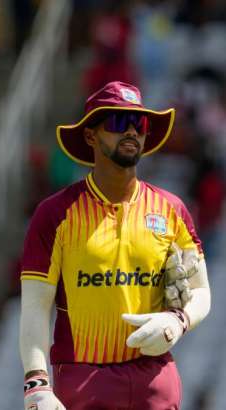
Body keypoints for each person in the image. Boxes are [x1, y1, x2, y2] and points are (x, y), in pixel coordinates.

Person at [19, 81, 211, 410]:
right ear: (91, 135)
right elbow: (36, 307)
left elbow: (202, 291)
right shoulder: (55, 214)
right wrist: (37, 384)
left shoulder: (171, 209)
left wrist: (177, 321)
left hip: (156, 378)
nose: (132, 131)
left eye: (140, 124)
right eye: (119, 122)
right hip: (84, 380)